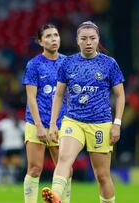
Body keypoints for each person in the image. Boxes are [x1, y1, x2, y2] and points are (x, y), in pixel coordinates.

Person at [42, 21, 125, 203]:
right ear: (77, 41)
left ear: (98, 40)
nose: (88, 42)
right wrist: (53, 123)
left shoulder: (109, 64)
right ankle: (55, 195)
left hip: (100, 123)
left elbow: (120, 95)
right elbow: (58, 95)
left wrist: (117, 124)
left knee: (102, 175)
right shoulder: (68, 63)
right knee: (64, 158)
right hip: (73, 121)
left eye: (92, 38)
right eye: (84, 38)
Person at [22, 24, 71, 203]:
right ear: (40, 41)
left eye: (56, 35)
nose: (54, 39)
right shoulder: (34, 65)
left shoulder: (67, 62)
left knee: (65, 169)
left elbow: (69, 95)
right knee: (35, 168)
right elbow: (31, 97)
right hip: (37, 122)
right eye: (49, 36)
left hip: (62, 123)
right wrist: (39, 126)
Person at [0, 109, 25, 183]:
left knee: (17, 163)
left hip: (17, 146)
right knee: (4, 162)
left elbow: (24, 136)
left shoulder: (21, 124)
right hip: (7, 146)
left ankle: (17, 178)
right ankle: (5, 178)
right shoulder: (4, 123)